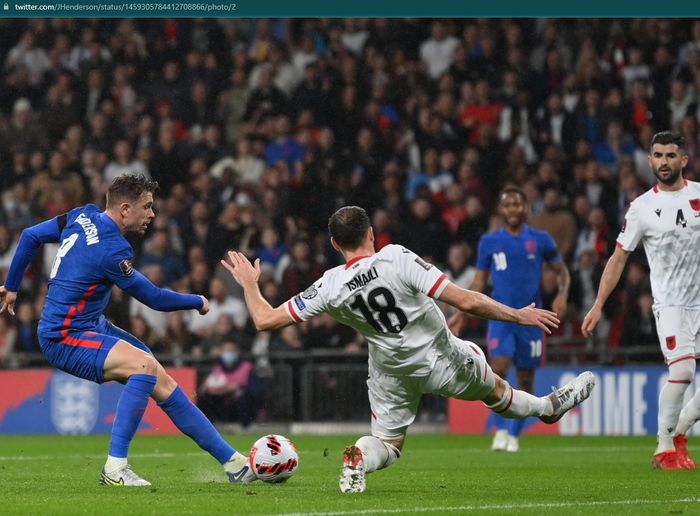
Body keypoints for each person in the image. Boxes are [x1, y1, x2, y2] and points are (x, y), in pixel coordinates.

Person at [222, 205, 595, 494]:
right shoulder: (396, 257)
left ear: (335, 244)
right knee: (497, 391)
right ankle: (547, 409)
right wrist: (517, 314)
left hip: (389, 373)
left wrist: (251, 285)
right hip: (442, 358)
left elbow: (265, 321)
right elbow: (464, 300)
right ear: (372, 233)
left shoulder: (329, 286)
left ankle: (359, 461)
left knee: (388, 444)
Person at [0, 174, 255, 486]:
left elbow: (29, 236)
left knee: (159, 377)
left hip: (92, 327)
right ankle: (115, 469)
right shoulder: (112, 249)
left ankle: (234, 463)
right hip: (63, 336)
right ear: (124, 209)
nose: (152, 214)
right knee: (144, 367)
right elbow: (154, 299)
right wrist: (198, 301)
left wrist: (12, 287)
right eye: (146, 207)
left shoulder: (83, 215)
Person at [582, 131, 700, 471]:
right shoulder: (642, 208)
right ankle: (664, 448)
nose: (664, 162)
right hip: (672, 304)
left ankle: (678, 430)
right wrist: (599, 303)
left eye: (671, 155)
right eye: (658, 156)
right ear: (650, 161)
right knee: (683, 370)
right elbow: (618, 259)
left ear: (683, 159)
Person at [450, 186, 570, 453]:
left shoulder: (541, 239)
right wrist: (460, 313)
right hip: (500, 318)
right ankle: (501, 430)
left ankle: (514, 435)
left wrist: (562, 295)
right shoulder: (489, 242)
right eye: (508, 205)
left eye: (517, 204)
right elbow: (479, 281)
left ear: (525, 208)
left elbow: (562, 272)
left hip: (532, 319)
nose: (513, 209)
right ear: (501, 210)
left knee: (526, 379)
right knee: (498, 371)